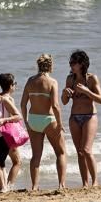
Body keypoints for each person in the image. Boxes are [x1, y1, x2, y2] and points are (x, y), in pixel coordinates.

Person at [20, 54, 67, 190]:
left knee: (36, 156)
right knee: (61, 153)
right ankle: (61, 185)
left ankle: (34, 186)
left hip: (34, 119)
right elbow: (56, 106)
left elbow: (23, 104)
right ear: (50, 66)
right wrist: (60, 123)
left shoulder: (30, 81)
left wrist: (26, 122)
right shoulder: (52, 82)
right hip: (48, 119)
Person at [62, 50, 101, 187]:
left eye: (74, 63)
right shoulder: (70, 79)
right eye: (70, 63)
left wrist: (86, 91)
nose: (72, 66)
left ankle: (95, 181)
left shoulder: (91, 79)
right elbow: (64, 102)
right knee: (79, 152)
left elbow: (100, 99)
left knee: (86, 150)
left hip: (89, 116)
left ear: (82, 64)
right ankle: (85, 183)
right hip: (74, 117)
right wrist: (65, 93)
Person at [0, 74, 22, 189]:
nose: (15, 86)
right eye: (15, 84)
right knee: (17, 162)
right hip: (8, 134)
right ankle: (9, 185)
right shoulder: (9, 99)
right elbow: (15, 117)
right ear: (11, 85)